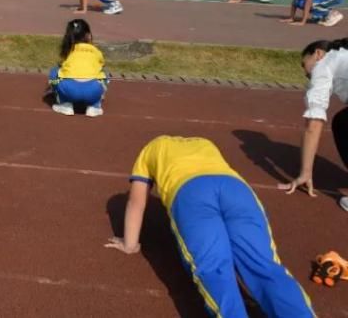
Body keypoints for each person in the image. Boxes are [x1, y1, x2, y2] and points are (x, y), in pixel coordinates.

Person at [108, 136, 314, 317]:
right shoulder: (205, 143)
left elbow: (136, 202)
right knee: (265, 265)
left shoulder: (151, 148)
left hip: (190, 192)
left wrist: (130, 244)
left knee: (214, 268)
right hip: (237, 190)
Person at [281, 39, 348, 213]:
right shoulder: (342, 57)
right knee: (343, 121)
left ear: (318, 54)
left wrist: (305, 172)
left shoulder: (324, 64)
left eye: (305, 64)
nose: (305, 73)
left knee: (343, 123)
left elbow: (314, 124)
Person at [47, 19, 107, 117]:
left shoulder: (68, 51)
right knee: (104, 74)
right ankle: (95, 105)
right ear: (88, 35)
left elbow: (63, 67)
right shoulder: (96, 51)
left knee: (54, 73)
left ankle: (64, 103)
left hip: (69, 89)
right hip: (93, 90)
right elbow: (102, 65)